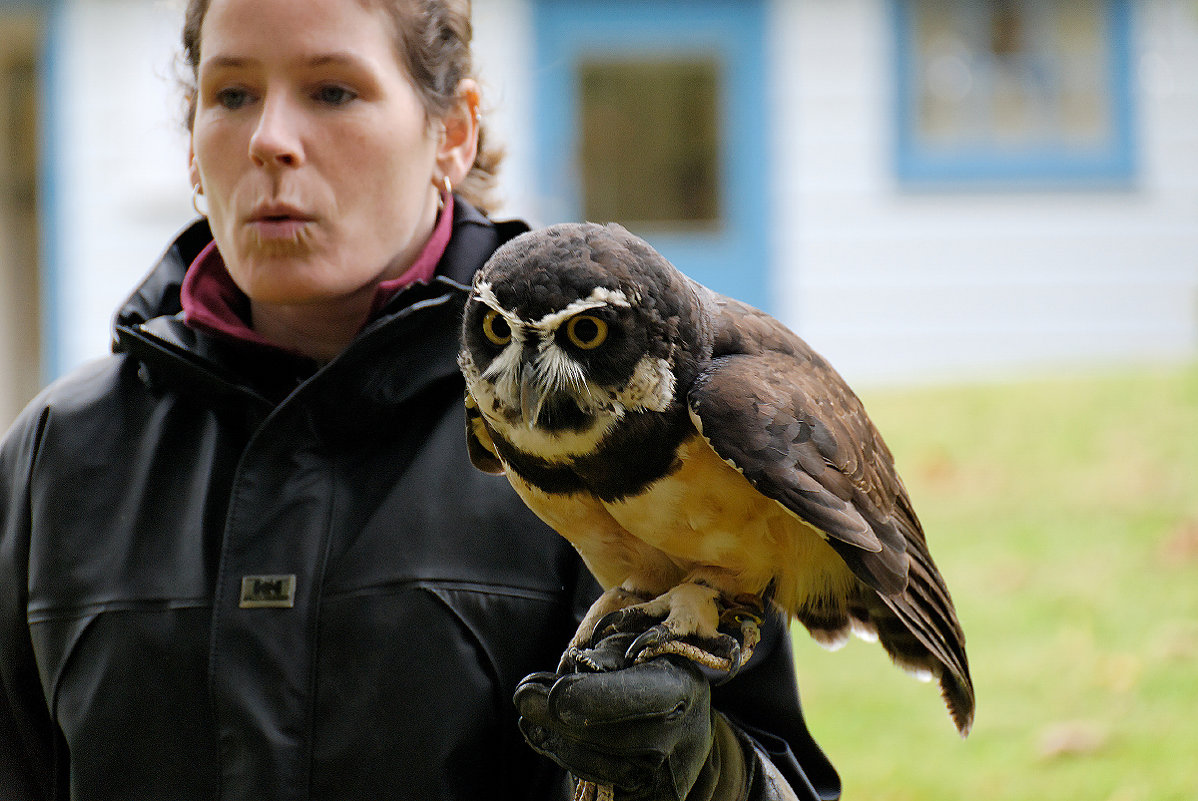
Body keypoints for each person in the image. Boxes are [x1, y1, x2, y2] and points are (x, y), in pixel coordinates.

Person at [0, 0, 842, 799]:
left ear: (453, 131)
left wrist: (699, 771)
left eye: (333, 90)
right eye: (231, 94)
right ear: (191, 140)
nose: (270, 140)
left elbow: (782, 778)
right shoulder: (54, 456)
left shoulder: (632, 414)